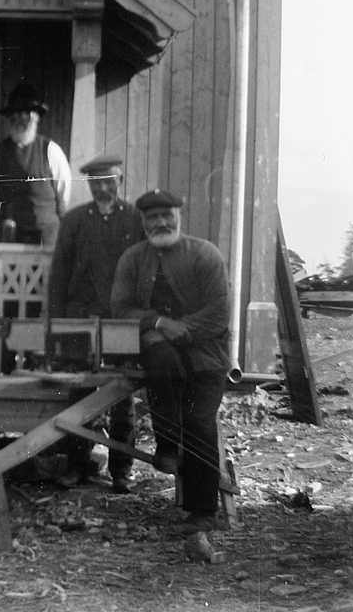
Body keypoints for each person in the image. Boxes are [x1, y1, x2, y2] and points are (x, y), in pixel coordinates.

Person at [112, 188, 231, 534]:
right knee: (161, 357)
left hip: (206, 354)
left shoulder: (205, 255)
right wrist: (159, 323)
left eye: (168, 215)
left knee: (198, 420)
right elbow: (119, 308)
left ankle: (203, 512)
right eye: (153, 217)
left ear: (180, 215)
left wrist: (182, 329)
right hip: (158, 350)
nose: (161, 222)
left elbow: (219, 313)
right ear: (144, 222)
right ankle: (166, 445)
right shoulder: (133, 259)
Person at [45, 155, 145, 493]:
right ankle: (77, 465)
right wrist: (55, 323)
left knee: (121, 392)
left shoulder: (136, 219)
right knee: (79, 391)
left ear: (120, 179)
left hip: (121, 319)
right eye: (95, 182)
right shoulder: (74, 221)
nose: (103, 188)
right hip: (79, 317)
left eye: (109, 181)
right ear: (88, 185)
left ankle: (120, 470)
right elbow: (59, 274)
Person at [0, 83, 71, 246]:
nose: (20, 118)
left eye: (26, 113)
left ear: (37, 117)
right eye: (15, 113)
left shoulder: (51, 151)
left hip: (46, 241)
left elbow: (65, 200)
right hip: (8, 240)